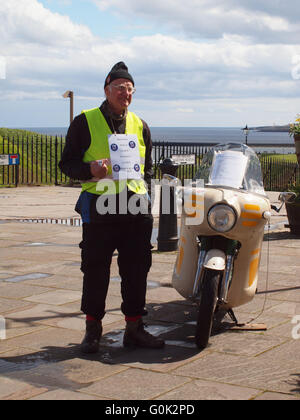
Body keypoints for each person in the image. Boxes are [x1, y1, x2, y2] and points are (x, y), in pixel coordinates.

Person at [59, 62, 164, 353]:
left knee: (137, 269)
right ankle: (92, 331)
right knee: (95, 269)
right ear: (106, 90)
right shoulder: (84, 121)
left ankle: (134, 329)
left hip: (134, 207)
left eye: (130, 89)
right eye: (120, 88)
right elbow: (66, 164)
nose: (125, 93)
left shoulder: (141, 125)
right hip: (100, 205)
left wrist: (148, 200)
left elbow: (148, 170)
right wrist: (89, 169)